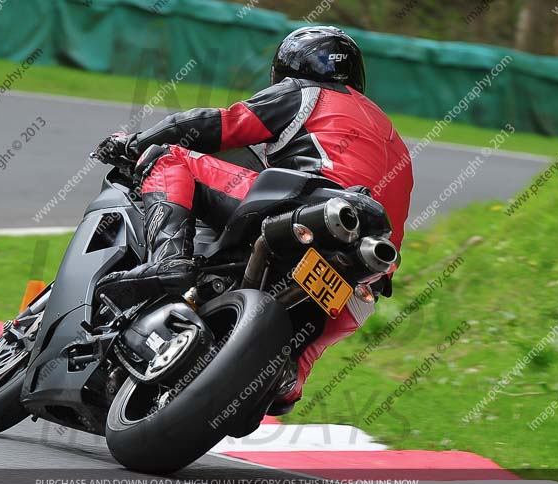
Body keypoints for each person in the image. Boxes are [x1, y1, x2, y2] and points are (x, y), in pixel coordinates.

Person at [93, 26, 414, 410]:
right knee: (301, 356)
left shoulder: (305, 94)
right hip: (367, 272)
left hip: (304, 211)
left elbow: (217, 124)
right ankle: (286, 378)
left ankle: (168, 262)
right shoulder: (395, 139)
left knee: (170, 157)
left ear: (285, 70)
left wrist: (136, 143)